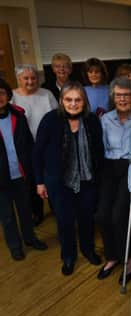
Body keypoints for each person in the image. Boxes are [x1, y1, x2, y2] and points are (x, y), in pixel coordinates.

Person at [33, 81, 103, 275]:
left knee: (87, 219)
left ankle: (88, 250)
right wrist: (39, 182)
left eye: (78, 100)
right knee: (64, 222)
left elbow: (99, 151)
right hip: (59, 183)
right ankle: (69, 257)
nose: (73, 104)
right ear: (61, 101)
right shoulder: (49, 120)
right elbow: (37, 153)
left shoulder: (92, 120)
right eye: (68, 99)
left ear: (84, 101)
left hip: (87, 181)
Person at [95, 77, 131, 283]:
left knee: (119, 215)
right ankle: (112, 256)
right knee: (102, 215)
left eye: (126, 95)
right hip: (109, 167)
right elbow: (102, 148)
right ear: (113, 97)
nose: (122, 99)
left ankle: (130, 258)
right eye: (118, 95)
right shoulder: (106, 119)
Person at [0, 78, 47, 261]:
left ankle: (30, 238)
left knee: (26, 210)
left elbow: (29, 143)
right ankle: (15, 246)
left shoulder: (18, 115)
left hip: (21, 173)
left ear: (8, 95)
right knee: (7, 216)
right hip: (1, 178)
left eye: (2, 93)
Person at [12, 64, 58, 225]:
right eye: (26, 78)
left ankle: (55, 207)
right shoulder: (12, 97)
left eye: (33, 78)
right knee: (32, 180)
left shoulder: (47, 94)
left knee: (51, 176)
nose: (30, 81)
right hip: (25, 147)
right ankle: (37, 212)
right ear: (18, 79)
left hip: (48, 144)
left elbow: (58, 117)